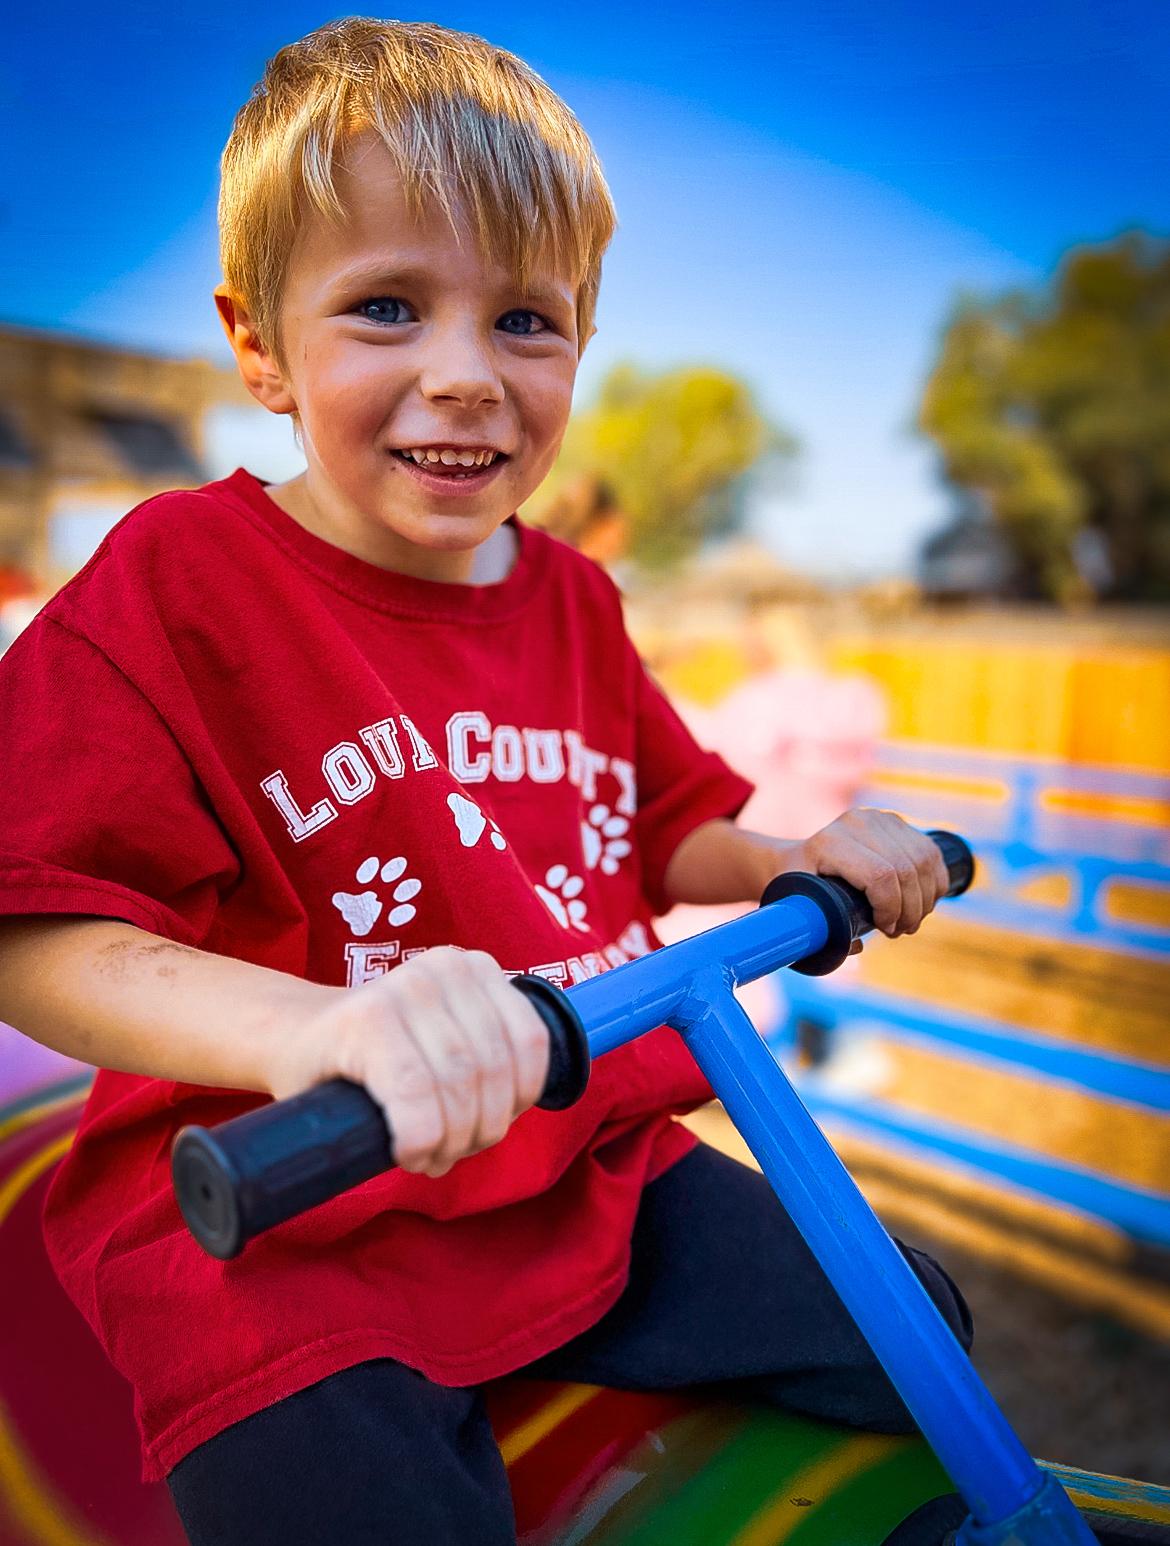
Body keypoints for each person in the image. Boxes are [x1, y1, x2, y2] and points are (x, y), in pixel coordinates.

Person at [0, 20, 971, 1545]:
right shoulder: (175, 583)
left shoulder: (575, 598)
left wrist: (813, 848)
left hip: (576, 1159)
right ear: (258, 344)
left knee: (919, 1332)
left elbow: (672, 828)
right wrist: (327, 1028)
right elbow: (38, 926)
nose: (463, 375)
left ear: (578, 344)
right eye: (386, 306)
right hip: (294, 1217)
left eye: (525, 320)